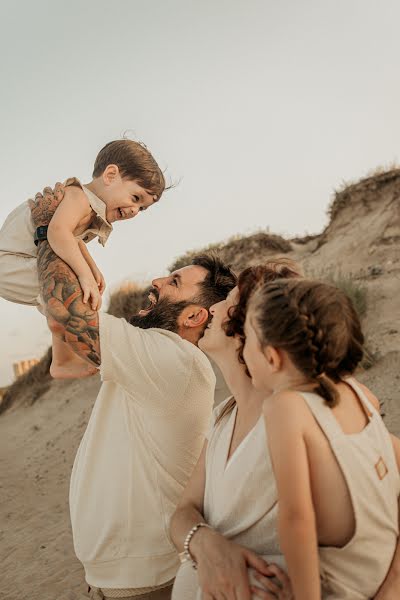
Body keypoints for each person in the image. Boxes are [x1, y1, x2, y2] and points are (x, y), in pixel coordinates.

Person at [29, 185, 237, 600]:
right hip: (116, 578)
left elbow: (65, 308)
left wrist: (48, 230)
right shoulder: (153, 359)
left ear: (196, 315)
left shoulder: (175, 359)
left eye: (174, 282)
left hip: (143, 584)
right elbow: (66, 363)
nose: (158, 280)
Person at [170, 261, 400, 600]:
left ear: (255, 333)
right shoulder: (224, 415)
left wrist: (388, 591)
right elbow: (182, 512)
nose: (213, 307)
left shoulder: (309, 409)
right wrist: (207, 546)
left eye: (228, 300)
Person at [243, 277, 400, 599]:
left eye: (246, 338)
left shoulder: (285, 407)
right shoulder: (357, 392)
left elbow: (297, 519)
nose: (242, 349)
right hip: (379, 570)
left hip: (341, 583)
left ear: (272, 357)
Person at [0, 139, 165, 378]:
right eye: (136, 198)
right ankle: (100, 354)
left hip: (19, 263)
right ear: (110, 175)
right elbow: (58, 233)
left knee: (60, 297)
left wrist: (92, 269)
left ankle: (61, 362)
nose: (134, 211)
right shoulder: (79, 197)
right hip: (9, 262)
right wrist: (84, 275)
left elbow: (72, 240)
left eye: (142, 209)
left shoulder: (87, 207)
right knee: (68, 289)